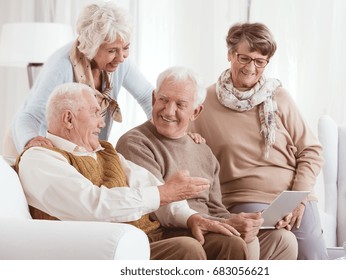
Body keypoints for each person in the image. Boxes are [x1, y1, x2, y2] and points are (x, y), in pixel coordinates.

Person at [15, 82, 249, 260]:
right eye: (96, 113)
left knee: (230, 243)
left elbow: (149, 184)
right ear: (68, 119)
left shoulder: (105, 152)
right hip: (111, 249)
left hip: (149, 237)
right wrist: (163, 193)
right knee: (186, 249)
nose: (102, 123)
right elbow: (92, 205)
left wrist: (191, 217)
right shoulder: (41, 158)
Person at [116, 66, 298, 260]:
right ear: (153, 99)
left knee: (283, 240)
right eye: (163, 99)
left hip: (209, 228)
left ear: (196, 111)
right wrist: (229, 224)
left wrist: (249, 220)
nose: (169, 110)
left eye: (180, 104)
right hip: (173, 232)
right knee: (234, 242)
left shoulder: (203, 151)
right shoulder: (135, 143)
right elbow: (158, 209)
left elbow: (216, 209)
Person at [190, 23, 329, 260]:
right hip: (244, 197)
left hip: (295, 194)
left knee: (315, 261)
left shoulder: (279, 97)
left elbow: (311, 150)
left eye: (260, 61)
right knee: (281, 245)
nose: (251, 68)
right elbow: (179, 137)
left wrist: (299, 198)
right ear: (230, 54)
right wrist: (189, 139)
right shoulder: (204, 101)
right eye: (244, 58)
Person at [9, 1, 153, 157]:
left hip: (78, 150)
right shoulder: (61, 66)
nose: (121, 57)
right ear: (92, 46)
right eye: (112, 50)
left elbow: (147, 97)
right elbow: (29, 116)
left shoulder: (118, 62)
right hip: (29, 139)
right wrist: (31, 142)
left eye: (126, 48)